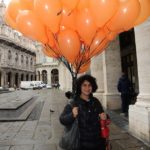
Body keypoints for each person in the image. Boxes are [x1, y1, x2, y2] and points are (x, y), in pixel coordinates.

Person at [60, 75, 107, 150]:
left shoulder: (95, 101)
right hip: (81, 145)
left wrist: (105, 117)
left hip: (99, 143)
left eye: (89, 85)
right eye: (84, 85)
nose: (87, 88)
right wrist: (72, 115)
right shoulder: (73, 103)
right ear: (79, 87)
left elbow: (103, 115)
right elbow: (62, 120)